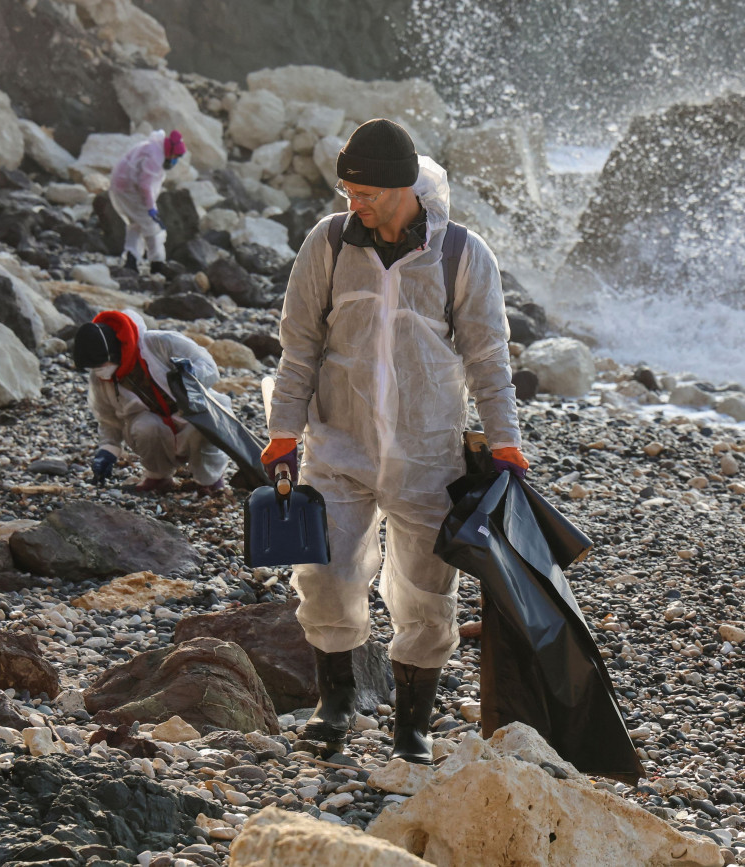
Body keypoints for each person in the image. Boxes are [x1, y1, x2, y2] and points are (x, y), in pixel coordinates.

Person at [261, 118, 529, 764]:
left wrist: (506, 444)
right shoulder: (326, 246)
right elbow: (298, 349)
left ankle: (412, 724)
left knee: (429, 591)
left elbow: (489, 361)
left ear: (404, 187)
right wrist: (282, 434)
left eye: (367, 192)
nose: (355, 203)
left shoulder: (463, 255)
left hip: (429, 453)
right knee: (323, 573)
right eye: (348, 190)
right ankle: (335, 704)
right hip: (338, 445)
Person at [72, 309, 228, 494]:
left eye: (99, 365)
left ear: (116, 352)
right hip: (155, 431)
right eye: (93, 367)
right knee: (144, 427)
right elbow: (108, 419)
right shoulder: (101, 378)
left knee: (205, 422)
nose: (97, 371)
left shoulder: (161, 343)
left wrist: (191, 374)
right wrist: (107, 451)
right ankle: (158, 477)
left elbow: (210, 368)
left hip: (192, 415)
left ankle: (209, 480)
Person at [109, 129, 186, 277]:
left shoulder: (153, 147)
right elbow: (145, 185)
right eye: (175, 156)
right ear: (170, 150)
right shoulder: (155, 158)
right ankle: (157, 263)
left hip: (122, 186)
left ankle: (131, 259)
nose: (175, 160)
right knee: (152, 227)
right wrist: (151, 208)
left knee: (136, 224)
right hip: (128, 189)